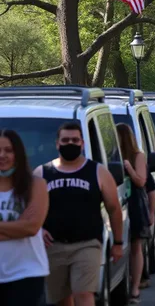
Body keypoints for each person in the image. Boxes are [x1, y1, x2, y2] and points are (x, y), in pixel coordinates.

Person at [37, 122, 124, 306]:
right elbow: (30, 209)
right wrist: (39, 230)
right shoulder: (42, 173)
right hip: (54, 246)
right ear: (57, 144)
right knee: (62, 299)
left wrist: (117, 242)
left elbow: (114, 208)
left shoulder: (98, 172)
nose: (71, 143)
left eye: (75, 140)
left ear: (82, 143)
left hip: (87, 245)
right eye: (66, 140)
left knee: (83, 293)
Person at [0, 130, 49, 306]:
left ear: (18, 154)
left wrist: (25, 226)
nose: (2, 155)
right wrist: (17, 227)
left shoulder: (36, 185)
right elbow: (24, 227)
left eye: (8, 150)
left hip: (27, 274)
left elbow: (32, 227)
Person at [116, 123, 151, 304]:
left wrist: (128, 168)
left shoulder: (138, 155)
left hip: (134, 202)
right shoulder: (112, 156)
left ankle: (136, 286)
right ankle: (123, 281)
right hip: (118, 202)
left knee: (136, 245)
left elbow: (141, 181)